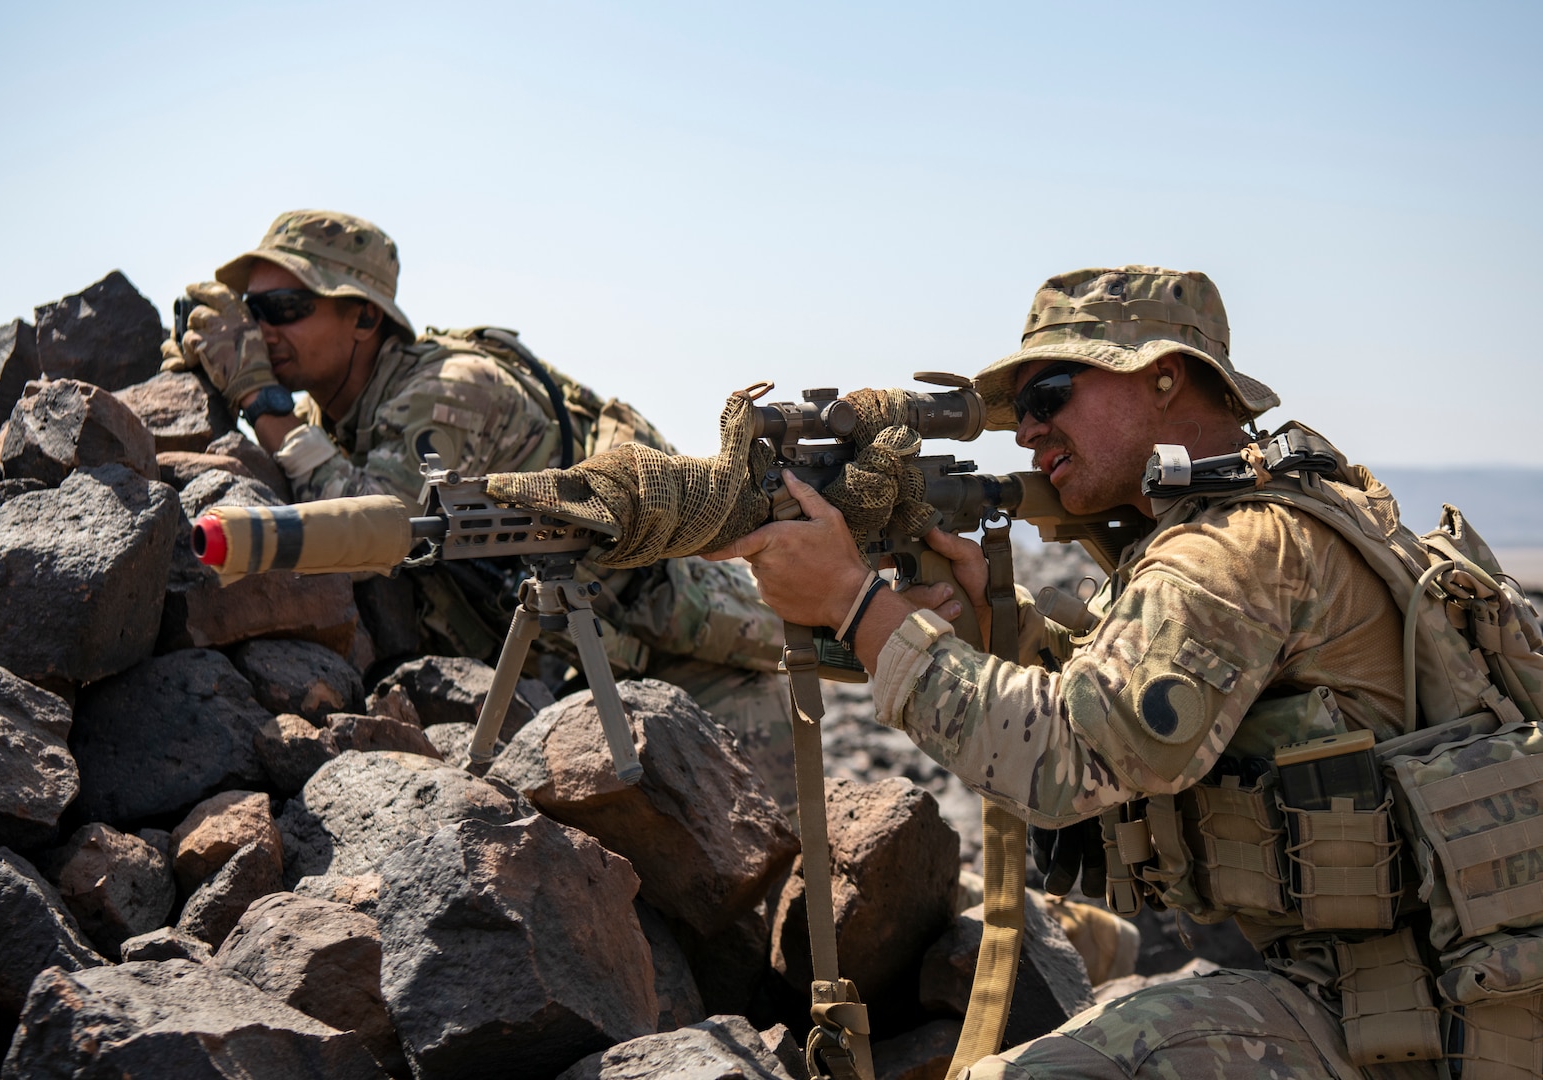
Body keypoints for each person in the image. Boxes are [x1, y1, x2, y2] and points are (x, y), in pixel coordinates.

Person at [707, 266, 1521, 1078]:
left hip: (1427, 1012)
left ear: (1164, 376)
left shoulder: (1232, 549)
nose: (1026, 431)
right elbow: (1127, 689)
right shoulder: (1267, 510)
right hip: (1432, 985)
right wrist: (991, 625)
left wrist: (858, 608)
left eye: (1050, 394)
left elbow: (1072, 758)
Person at [173, 209, 795, 806]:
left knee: (773, 863)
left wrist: (260, 398)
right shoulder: (330, 419)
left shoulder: (452, 389)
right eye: (250, 315)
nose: (262, 331)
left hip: (688, 652)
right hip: (572, 666)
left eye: (285, 309)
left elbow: (373, 530)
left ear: (364, 317)